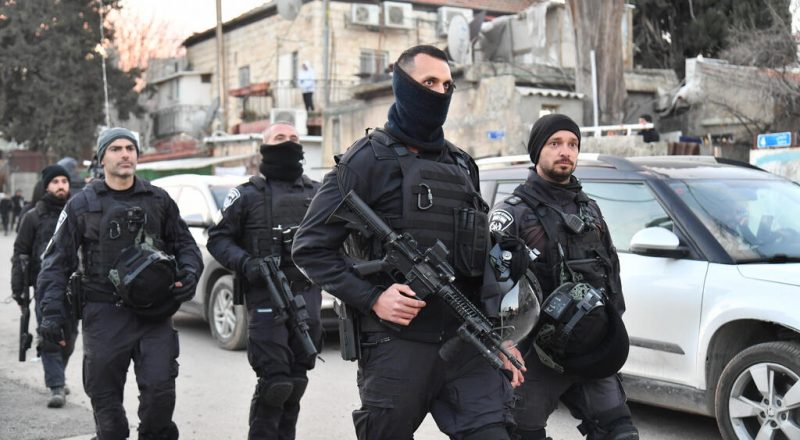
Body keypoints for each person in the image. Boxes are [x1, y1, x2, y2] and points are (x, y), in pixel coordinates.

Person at [292, 45, 526, 440]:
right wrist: (373, 298)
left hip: (465, 343)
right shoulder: (366, 160)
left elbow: (478, 261)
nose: (439, 92)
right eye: (429, 82)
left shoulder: (461, 164)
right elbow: (309, 248)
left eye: (447, 85)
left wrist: (501, 335)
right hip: (396, 346)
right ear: (402, 85)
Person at [36, 127, 203, 440]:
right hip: (104, 314)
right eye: (116, 149)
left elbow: (186, 245)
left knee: (160, 396)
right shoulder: (81, 205)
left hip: (154, 313)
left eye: (130, 148)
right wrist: (51, 314)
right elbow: (55, 264)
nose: (125, 154)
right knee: (107, 412)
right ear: (102, 158)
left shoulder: (158, 200)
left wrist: (190, 273)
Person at [489, 114, 638, 440]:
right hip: (533, 352)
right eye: (555, 143)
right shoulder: (511, 213)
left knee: (620, 433)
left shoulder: (590, 209)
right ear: (537, 151)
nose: (565, 151)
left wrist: (612, 327)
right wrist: (503, 344)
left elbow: (610, 270)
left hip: (591, 345)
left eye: (572, 144)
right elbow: (489, 287)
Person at [206, 122, 322, 440]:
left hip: (307, 295)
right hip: (265, 295)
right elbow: (218, 239)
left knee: (296, 381)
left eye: (294, 138)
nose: (289, 142)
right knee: (275, 383)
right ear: (265, 146)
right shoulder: (247, 194)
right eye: (280, 138)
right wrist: (247, 264)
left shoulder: (316, 192)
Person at [12, 165, 77, 408]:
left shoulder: (76, 213)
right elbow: (20, 253)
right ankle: (56, 386)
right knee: (49, 335)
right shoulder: (33, 217)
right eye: (55, 182)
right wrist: (19, 290)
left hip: (74, 288)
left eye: (64, 181)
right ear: (46, 186)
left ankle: (58, 373)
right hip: (45, 288)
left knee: (70, 338)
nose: (61, 186)